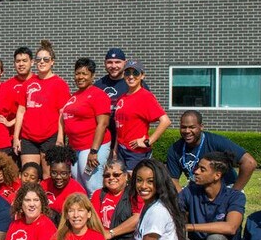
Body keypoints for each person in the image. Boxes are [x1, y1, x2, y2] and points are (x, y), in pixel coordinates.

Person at [13, 40, 70, 170]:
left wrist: (60, 138)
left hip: (50, 136)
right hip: (28, 137)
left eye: (46, 59)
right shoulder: (28, 83)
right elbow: (21, 111)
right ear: (35, 62)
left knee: (48, 175)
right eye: (39, 59)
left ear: (52, 61)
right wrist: (16, 137)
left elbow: (62, 114)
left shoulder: (59, 84)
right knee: (29, 174)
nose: (42, 62)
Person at [58, 57, 111, 194]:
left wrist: (94, 152)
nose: (80, 77)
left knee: (92, 185)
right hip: (75, 148)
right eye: (77, 73)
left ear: (92, 76)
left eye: (84, 74)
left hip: (90, 147)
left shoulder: (98, 95)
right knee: (78, 185)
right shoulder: (74, 96)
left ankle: (99, 208)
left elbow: (103, 124)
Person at [166, 110, 257, 191]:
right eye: (183, 127)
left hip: (225, 188)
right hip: (197, 190)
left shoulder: (216, 142)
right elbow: (173, 180)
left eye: (192, 127)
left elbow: (249, 163)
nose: (187, 131)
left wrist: (234, 193)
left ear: (201, 127)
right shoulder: (175, 149)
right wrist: (183, 199)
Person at [114, 59, 171, 170]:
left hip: (136, 153)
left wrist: (148, 142)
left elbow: (165, 121)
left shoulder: (146, 96)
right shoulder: (122, 97)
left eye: (135, 73)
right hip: (121, 150)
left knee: (135, 179)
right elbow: (119, 126)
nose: (131, 76)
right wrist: (115, 149)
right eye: (127, 73)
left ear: (142, 75)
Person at [92, 158, 141, 240]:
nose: (111, 178)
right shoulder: (98, 194)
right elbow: (93, 221)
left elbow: (137, 218)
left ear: (126, 176)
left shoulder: (134, 194)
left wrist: (111, 233)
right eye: (107, 175)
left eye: (116, 174)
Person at [42, 145, 87, 218]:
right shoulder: (43, 185)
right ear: (50, 171)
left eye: (63, 173)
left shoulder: (77, 191)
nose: (58, 177)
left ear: (70, 173)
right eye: (54, 173)